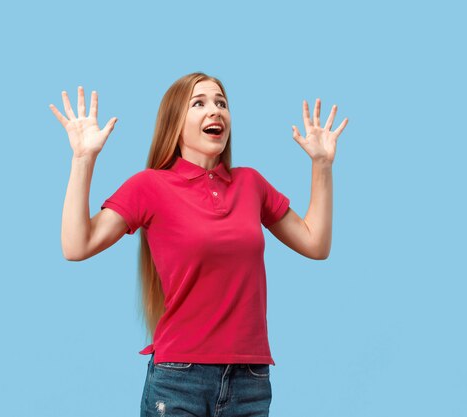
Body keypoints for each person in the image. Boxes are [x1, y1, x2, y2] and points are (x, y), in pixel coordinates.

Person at [49, 72, 348, 417]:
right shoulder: (150, 186)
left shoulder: (250, 184)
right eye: (200, 103)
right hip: (179, 379)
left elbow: (316, 244)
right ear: (175, 122)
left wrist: (322, 165)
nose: (215, 111)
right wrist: (83, 160)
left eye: (221, 103)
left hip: (250, 379)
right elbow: (76, 245)